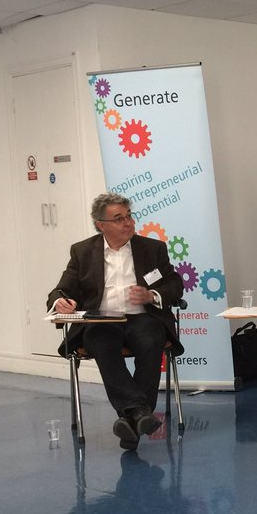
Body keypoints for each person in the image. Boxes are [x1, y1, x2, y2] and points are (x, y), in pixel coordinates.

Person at [48, 192, 183, 451]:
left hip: (142, 317)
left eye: (129, 216)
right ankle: (140, 413)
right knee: (100, 341)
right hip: (102, 321)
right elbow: (60, 290)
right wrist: (60, 302)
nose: (128, 222)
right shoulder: (82, 251)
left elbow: (175, 285)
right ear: (101, 225)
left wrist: (152, 295)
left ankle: (130, 417)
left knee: (151, 340)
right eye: (119, 218)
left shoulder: (152, 249)